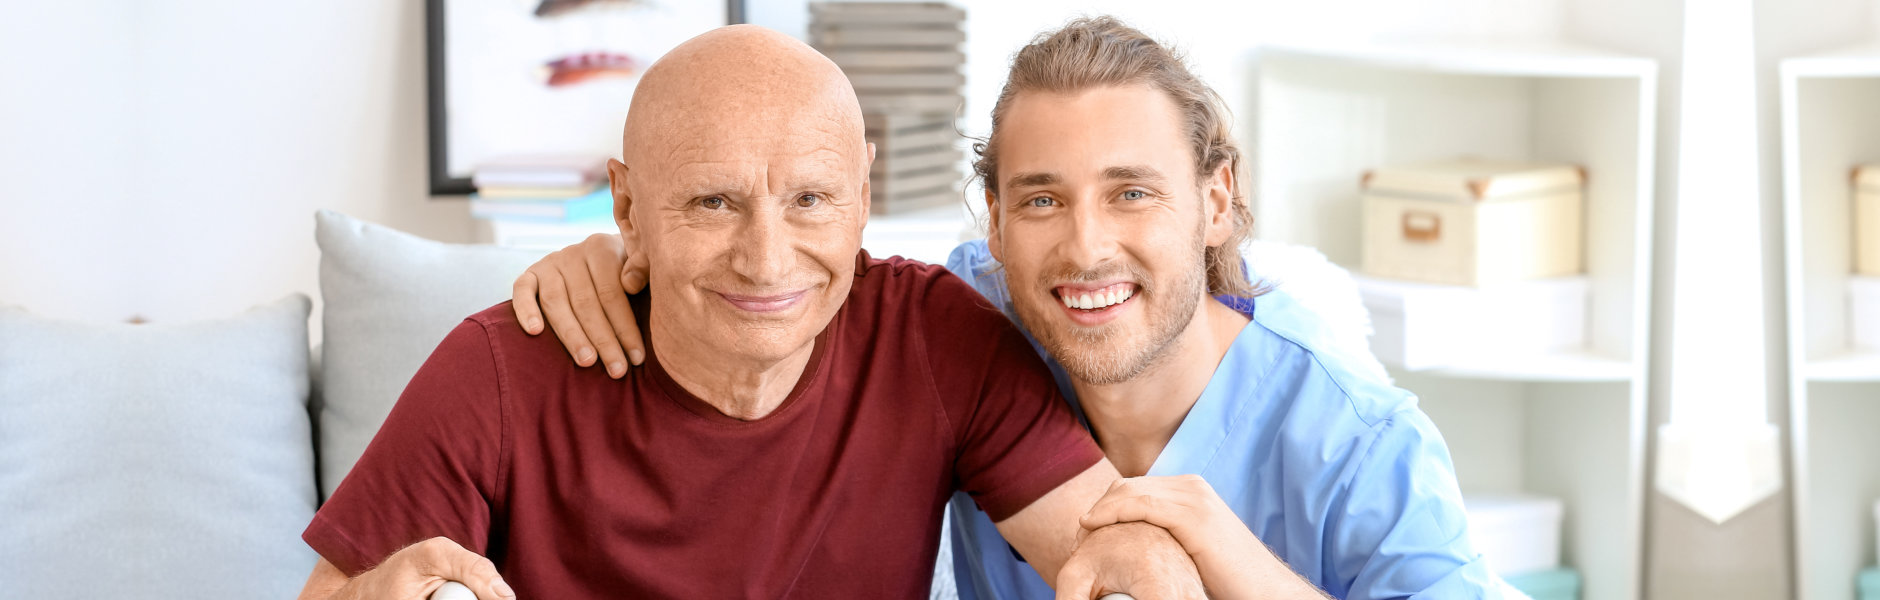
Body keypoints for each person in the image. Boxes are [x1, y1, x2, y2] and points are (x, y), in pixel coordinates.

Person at [517, 16, 1505, 600]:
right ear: (994, 222)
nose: (1083, 246)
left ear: (1214, 199)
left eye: (1131, 192)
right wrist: (627, 258)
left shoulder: (1359, 439)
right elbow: (787, 279)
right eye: (1040, 198)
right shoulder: (965, 323)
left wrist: (1232, 564)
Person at [295, 24, 1209, 600]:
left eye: (810, 200)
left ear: (861, 195)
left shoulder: (934, 338)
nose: (768, 260)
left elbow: (1103, 533)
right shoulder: (502, 369)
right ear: (628, 211)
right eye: (712, 203)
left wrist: (1144, 565)